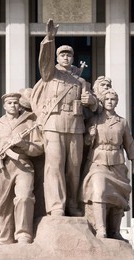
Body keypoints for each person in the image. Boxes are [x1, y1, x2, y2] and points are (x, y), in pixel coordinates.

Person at [30, 19, 98, 217]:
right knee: (55, 165)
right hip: (53, 124)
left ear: (73, 58)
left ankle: (72, 203)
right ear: (57, 58)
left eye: (69, 54)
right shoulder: (50, 74)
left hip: (75, 125)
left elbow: (92, 105)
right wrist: (49, 39)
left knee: (74, 167)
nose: (66, 57)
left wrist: (90, 100)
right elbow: (44, 61)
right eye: (62, 54)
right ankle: (56, 206)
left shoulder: (80, 80)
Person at [0, 92, 43, 245]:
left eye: (16, 103)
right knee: (4, 203)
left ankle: (24, 234)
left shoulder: (29, 123)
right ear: (4, 106)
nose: (13, 106)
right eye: (10, 103)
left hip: (23, 165)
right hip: (3, 168)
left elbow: (39, 148)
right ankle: (5, 237)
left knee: (24, 197)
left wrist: (24, 145)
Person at [80, 88, 134, 240]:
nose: (110, 102)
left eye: (113, 99)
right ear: (102, 101)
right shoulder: (94, 120)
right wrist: (90, 136)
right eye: (107, 99)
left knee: (118, 197)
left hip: (117, 163)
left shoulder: (122, 122)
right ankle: (101, 229)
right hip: (98, 162)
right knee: (98, 192)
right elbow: (85, 145)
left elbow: (129, 143)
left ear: (116, 102)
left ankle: (115, 231)